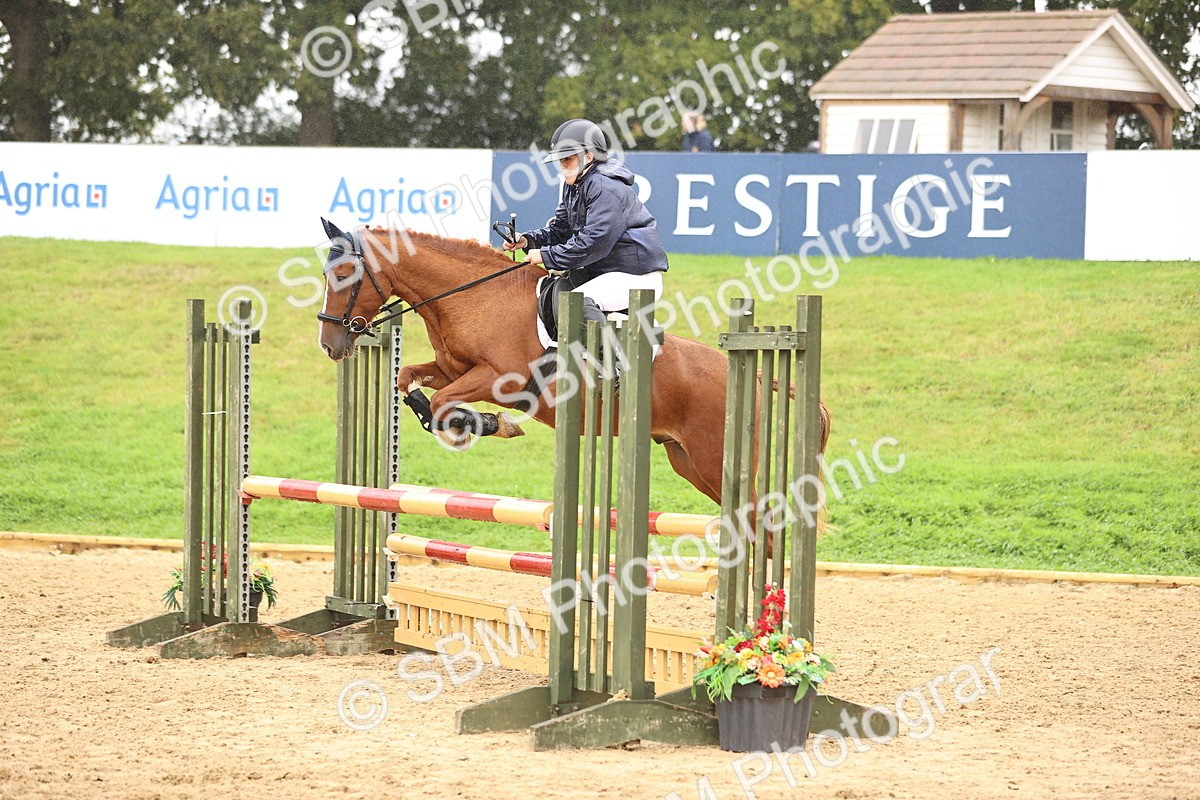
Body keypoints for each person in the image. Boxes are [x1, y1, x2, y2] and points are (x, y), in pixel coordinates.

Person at [505, 118, 668, 341]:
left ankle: (614, 363)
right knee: (556, 289)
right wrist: (527, 241)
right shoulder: (575, 184)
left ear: (588, 157)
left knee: (576, 303)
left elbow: (592, 244)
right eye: (560, 161)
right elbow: (560, 230)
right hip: (607, 270)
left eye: (568, 159)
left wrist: (544, 255)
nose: (562, 166)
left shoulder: (604, 187)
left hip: (634, 276)